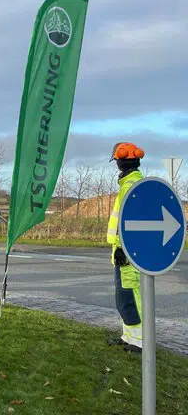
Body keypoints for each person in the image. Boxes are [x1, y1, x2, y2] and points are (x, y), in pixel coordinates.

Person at [106, 141, 145, 353]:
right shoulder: (132, 183)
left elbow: (127, 221)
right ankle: (129, 337)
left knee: (130, 297)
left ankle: (138, 341)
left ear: (120, 161)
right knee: (125, 297)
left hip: (127, 254)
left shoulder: (129, 186)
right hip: (127, 253)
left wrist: (121, 247)